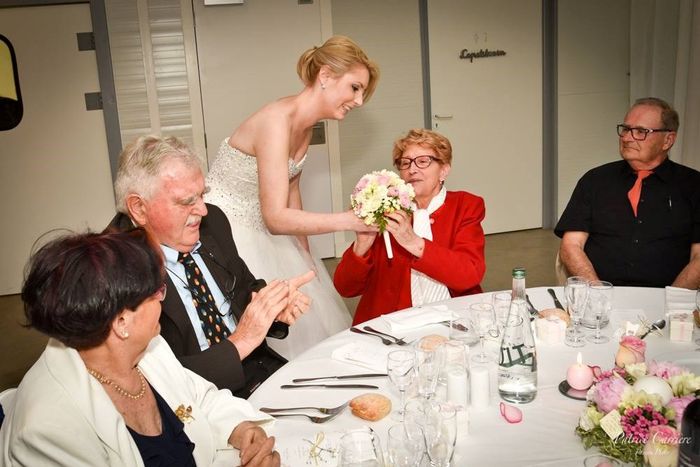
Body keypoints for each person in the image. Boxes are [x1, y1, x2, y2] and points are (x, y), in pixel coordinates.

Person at [0, 229, 279, 466]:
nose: (162, 299)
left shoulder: (147, 348)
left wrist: (240, 429)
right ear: (121, 321)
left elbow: (200, 397)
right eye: (157, 290)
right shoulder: (47, 430)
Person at [204, 35, 380, 358]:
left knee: (307, 302)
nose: (359, 101)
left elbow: (292, 188)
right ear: (325, 76)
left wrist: (303, 251)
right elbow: (274, 217)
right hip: (226, 229)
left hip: (265, 224)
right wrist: (346, 219)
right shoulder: (276, 121)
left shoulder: (306, 126)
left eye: (362, 93)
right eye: (355, 88)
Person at [109, 135, 313, 398]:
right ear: (138, 208)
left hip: (259, 369)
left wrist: (271, 307)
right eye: (186, 201)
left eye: (202, 195)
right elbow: (150, 379)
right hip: (197, 400)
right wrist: (241, 341)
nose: (203, 210)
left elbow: (244, 285)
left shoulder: (212, 222)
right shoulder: (114, 268)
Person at [333, 129, 486, 324]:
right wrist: (362, 244)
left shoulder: (466, 205)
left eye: (423, 161)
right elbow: (346, 288)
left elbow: (469, 274)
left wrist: (412, 241)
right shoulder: (386, 208)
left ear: (444, 170)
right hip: (393, 324)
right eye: (405, 163)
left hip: (453, 315)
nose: (411, 169)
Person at [555, 97, 700, 288]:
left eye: (641, 131)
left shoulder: (693, 185)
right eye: (625, 129)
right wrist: (598, 294)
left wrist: (672, 303)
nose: (627, 137)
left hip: (668, 299)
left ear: (668, 140)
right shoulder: (595, 180)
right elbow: (570, 246)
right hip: (599, 294)